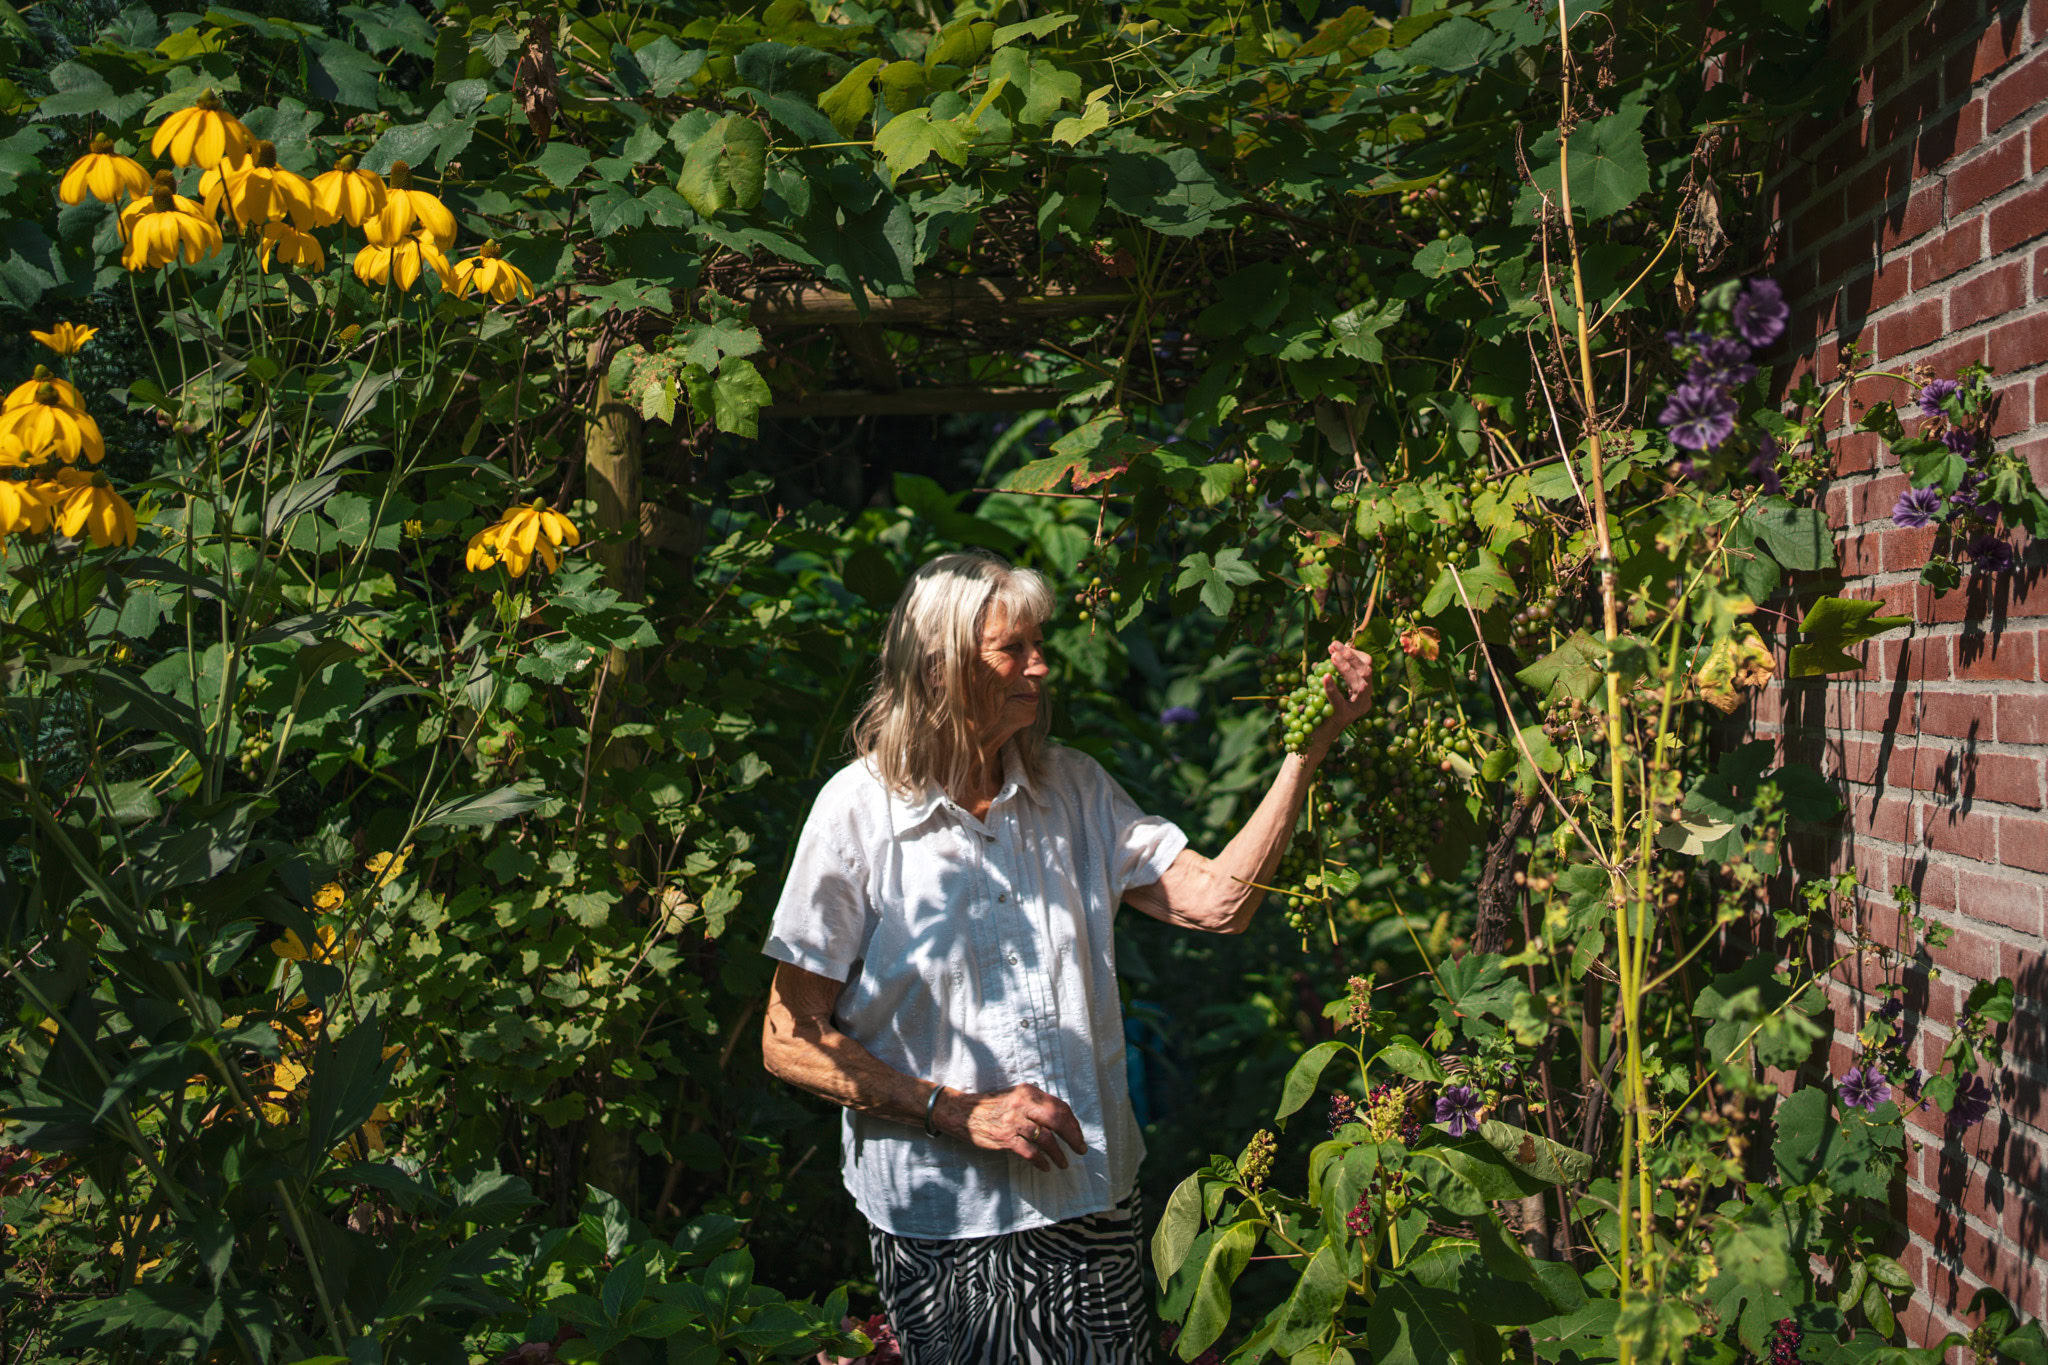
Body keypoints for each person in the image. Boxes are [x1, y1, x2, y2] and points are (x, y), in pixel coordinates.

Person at [760, 551, 1374, 1364]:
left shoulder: (1075, 791)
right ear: (940, 667)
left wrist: (1310, 748)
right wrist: (954, 1108)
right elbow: (787, 1034)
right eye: (1013, 649)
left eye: (1037, 644)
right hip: (945, 1222)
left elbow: (1220, 900)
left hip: (1090, 1209)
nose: (1040, 667)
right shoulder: (857, 813)